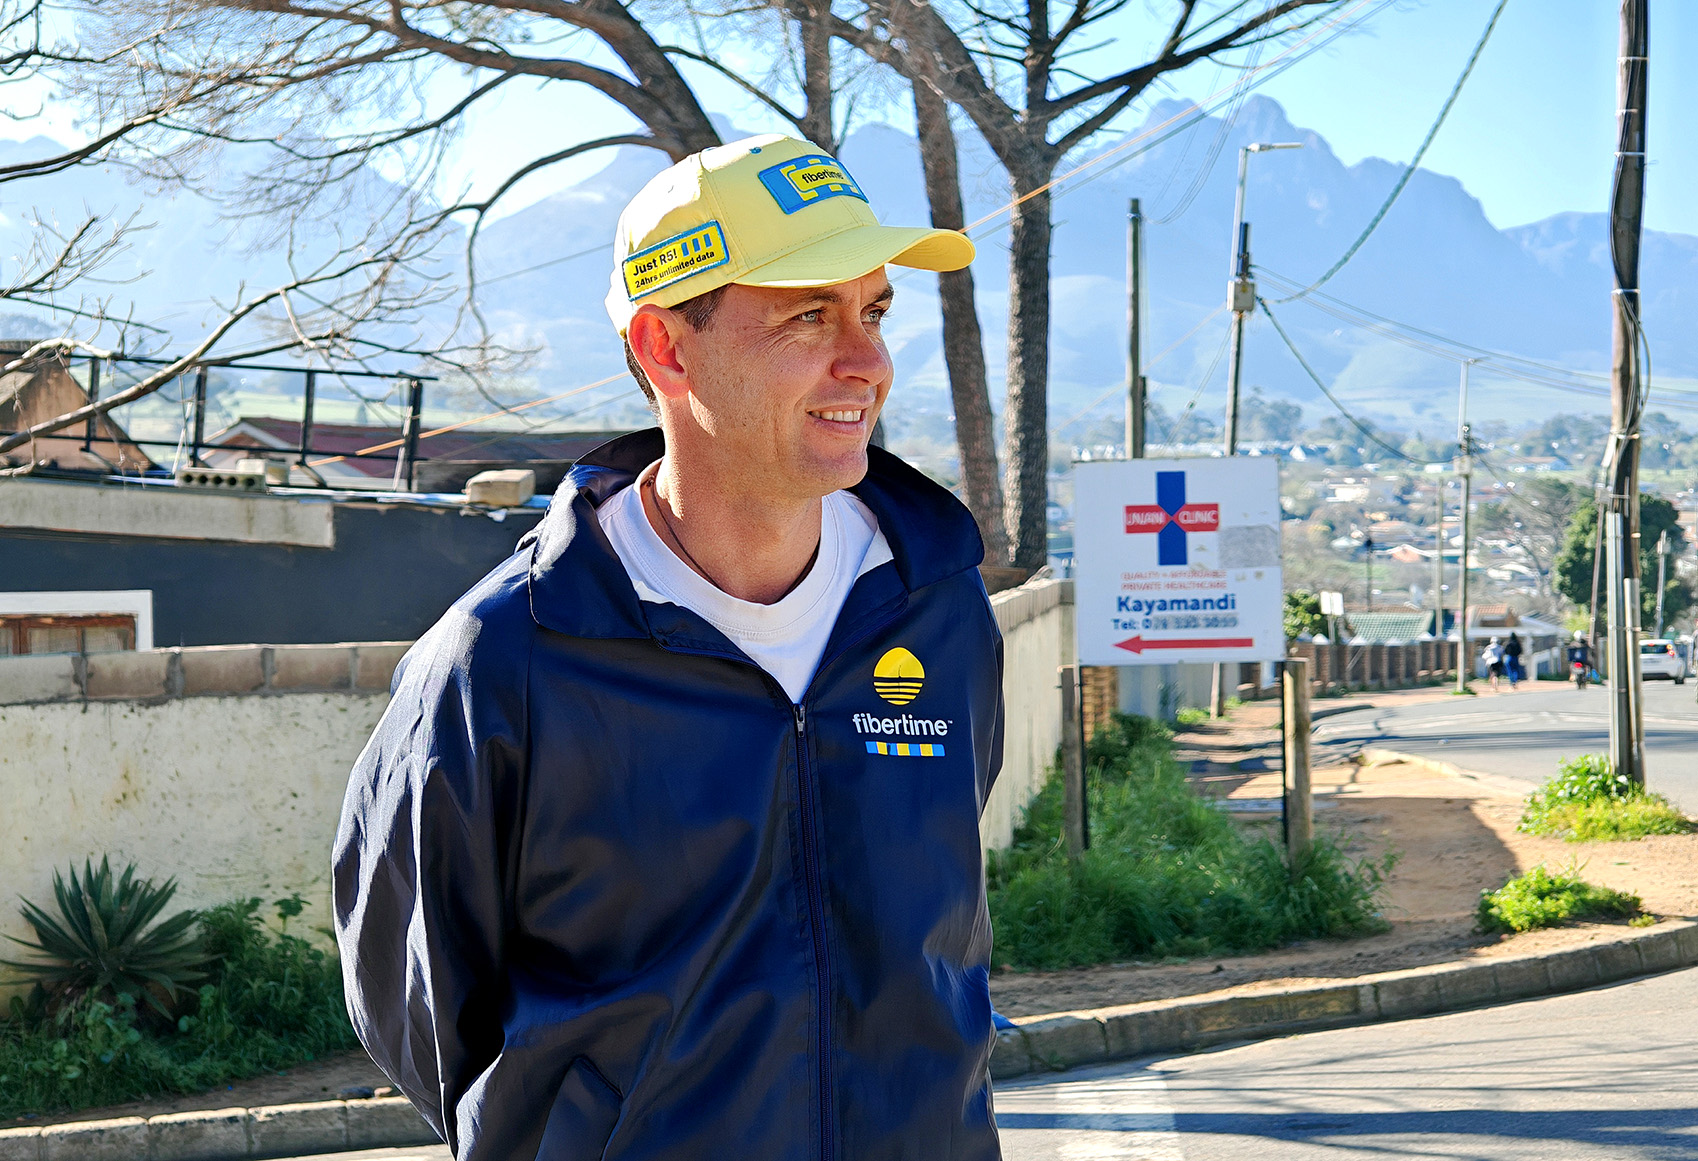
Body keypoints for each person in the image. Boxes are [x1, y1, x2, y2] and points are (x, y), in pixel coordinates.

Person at [332, 135, 1005, 1161]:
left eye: (872, 311)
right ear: (666, 347)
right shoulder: (501, 661)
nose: (867, 362)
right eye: (807, 315)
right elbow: (417, 1003)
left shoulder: (937, 610)